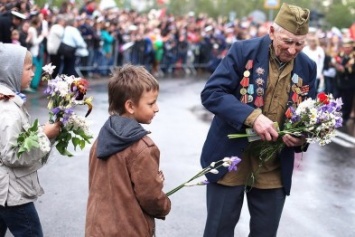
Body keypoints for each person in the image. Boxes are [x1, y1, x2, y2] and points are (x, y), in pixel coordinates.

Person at [200, 3, 317, 237]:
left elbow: (310, 114)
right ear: (272, 32)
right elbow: (212, 93)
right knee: (218, 231)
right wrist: (252, 117)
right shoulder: (243, 51)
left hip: (273, 166)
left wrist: (302, 137)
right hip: (231, 159)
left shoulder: (308, 67)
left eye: (299, 43)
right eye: (287, 41)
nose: (293, 50)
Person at [85, 65, 171, 236]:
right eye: (151, 103)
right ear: (130, 106)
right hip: (128, 230)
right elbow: (151, 197)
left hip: (97, 229)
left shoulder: (101, 139)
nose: (157, 108)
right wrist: (164, 204)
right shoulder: (143, 148)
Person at [0, 43, 62, 236]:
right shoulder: (8, 109)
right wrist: (45, 135)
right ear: (11, 71)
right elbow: (10, 154)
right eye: (28, 68)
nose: (33, 72)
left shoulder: (8, 102)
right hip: (13, 193)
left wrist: (41, 131)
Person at [334, 38, 355, 126]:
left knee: (347, 101)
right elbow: (335, 61)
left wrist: (344, 69)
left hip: (349, 82)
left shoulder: (353, 57)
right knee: (337, 98)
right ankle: (335, 115)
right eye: (345, 47)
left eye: (348, 47)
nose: (346, 49)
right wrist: (336, 65)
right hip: (339, 81)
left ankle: (345, 117)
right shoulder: (341, 54)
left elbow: (351, 69)